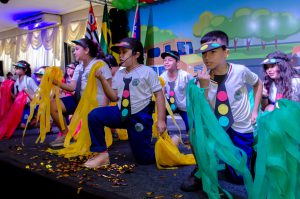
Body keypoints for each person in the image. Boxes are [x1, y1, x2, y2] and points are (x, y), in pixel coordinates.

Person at [181, 30, 263, 192]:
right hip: (217, 128)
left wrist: (254, 110)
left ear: (226, 52)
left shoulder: (240, 71)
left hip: (241, 126)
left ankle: (250, 157)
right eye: (204, 53)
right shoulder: (202, 79)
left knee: (239, 178)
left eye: (213, 51)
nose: (207, 57)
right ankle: (201, 168)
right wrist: (204, 86)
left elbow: (258, 83)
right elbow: (201, 110)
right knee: (196, 134)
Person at [83, 37, 167, 168]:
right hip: (120, 112)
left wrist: (161, 120)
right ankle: (101, 154)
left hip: (139, 117)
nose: (120, 56)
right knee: (95, 115)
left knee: (144, 159)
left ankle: (169, 146)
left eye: (124, 52)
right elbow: (114, 97)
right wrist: (103, 80)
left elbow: (159, 95)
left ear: (137, 54)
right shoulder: (119, 74)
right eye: (119, 53)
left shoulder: (147, 72)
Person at [49, 38, 112, 147]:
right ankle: (66, 135)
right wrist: (55, 82)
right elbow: (71, 88)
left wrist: (104, 109)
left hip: (95, 104)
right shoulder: (79, 67)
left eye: (77, 49)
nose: (74, 52)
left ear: (86, 50)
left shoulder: (100, 64)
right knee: (53, 105)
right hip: (80, 101)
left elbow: (109, 86)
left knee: (91, 139)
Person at [160, 50, 193, 135]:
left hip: (184, 105)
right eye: (165, 60)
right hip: (169, 105)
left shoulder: (185, 76)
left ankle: (192, 140)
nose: (166, 62)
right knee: (160, 115)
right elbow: (161, 94)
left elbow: (194, 91)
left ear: (177, 62)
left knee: (191, 125)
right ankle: (165, 137)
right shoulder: (162, 77)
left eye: (170, 60)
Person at [13, 60, 39, 128]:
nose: (16, 69)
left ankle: (37, 118)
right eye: (16, 67)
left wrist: (30, 99)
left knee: (22, 126)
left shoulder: (29, 80)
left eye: (18, 68)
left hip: (31, 106)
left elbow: (38, 93)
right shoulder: (16, 82)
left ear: (25, 70)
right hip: (21, 107)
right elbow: (16, 98)